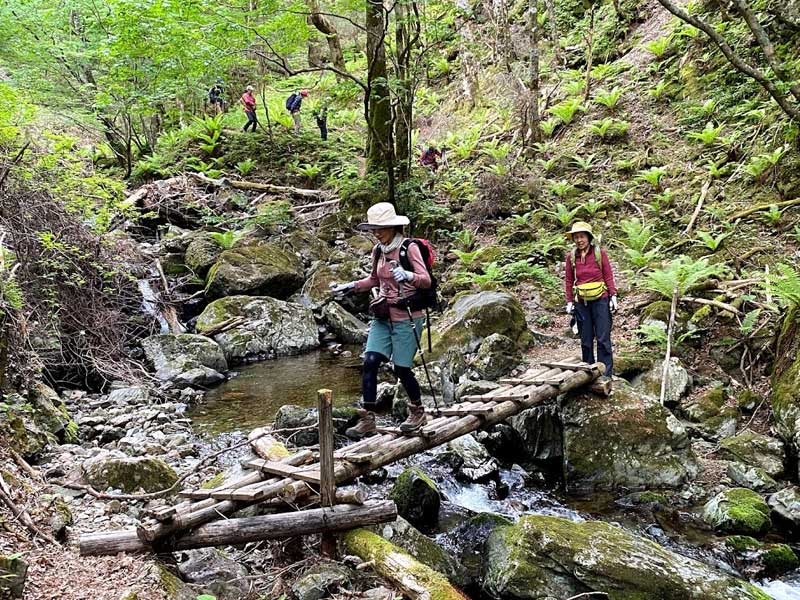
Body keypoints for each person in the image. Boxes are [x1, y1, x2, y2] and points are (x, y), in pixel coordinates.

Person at [331, 202, 432, 439]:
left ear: (394, 227)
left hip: (407, 316)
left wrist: (408, 276)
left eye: (381, 228)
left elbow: (425, 280)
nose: (376, 233)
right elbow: (374, 280)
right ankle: (367, 417)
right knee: (370, 361)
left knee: (401, 368)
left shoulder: (409, 248)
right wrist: (351, 286)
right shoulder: (378, 250)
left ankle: (417, 411)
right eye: (373, 229)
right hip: (383, 315)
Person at [564, 221, 617, 379]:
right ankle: (589, 373)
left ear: (588, 237)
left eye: (582, 236)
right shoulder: (572, 257)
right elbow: (568, 280)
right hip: (581, 302)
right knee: (586, 339)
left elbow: (608, 275)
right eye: (576, 237)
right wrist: (569, 301)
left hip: (601, 300)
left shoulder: (600, 253)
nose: (579, 240)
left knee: (602, 338)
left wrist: (613, 296)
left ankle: (605, 374)